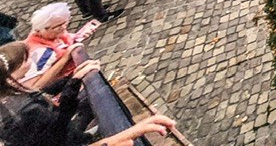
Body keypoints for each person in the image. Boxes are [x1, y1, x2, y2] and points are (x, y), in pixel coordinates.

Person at [0, 41, 176, 146]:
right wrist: (132, 131)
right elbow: (60, 130)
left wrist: (74, 80)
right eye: (27, 58)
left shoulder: (12, 102)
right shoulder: (24, 112)